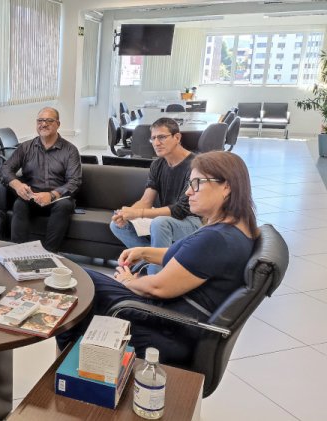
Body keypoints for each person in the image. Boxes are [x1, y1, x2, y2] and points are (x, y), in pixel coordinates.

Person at [57, 151, 259, 363]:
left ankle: (62, 366)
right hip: (174, 316)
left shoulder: (216, 239)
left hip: (168, 324)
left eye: (196, 183)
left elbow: (158, 288)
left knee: (78, 282)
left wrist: (128, 281)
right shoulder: (234, 228)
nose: (189, 192)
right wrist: (144, 252)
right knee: (82, 282)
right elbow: (187, 258)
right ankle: (69, 363)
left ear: (226, 186)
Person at [111, 117, 202, 274]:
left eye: (162, 137)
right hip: (167, 218)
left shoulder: (195, 165)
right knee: (117, 224)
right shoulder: (158, 164)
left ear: (177, 137)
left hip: (192, 221)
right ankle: (158, 260)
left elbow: (180, 210)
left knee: (160, 223)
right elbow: (146, 201)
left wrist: (138, 213)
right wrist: (126, 213)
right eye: (153, 138)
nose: (156, 143)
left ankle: (154, 278)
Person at [0, 107, 81, 252]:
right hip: (32, 196)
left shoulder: (70, 150)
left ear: (58, 124)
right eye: (40, 120)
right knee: (19, 204)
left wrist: (51, 195)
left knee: (64, 206)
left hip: (58, 198)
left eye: (49, 120)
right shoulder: (26, 147)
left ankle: (49, 254)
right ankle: (17, 252)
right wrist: (17, 185)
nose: (43, 124)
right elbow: (5, 169)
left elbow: (74, 181)